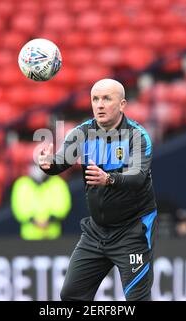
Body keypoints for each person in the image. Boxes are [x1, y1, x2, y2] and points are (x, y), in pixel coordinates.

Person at [38, 79, 157, 301]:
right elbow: (60, 163)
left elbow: (138, 177)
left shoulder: (137, 136)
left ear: (122, 104)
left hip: (132, 231)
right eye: (95, 99)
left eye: (106, 99)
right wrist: (47, 164)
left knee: (137, 300)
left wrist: (109, 179)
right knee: (71, 295)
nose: (99, 105)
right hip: (97, 231)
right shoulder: (81, 133)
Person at [11, 164, 72, 240]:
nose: (38, 169)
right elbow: (19, 208)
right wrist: (33, 220)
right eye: (34, 165)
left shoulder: (58, 183)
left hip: (52, 235)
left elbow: (63, 206)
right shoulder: (22, 184)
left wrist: (50, 219)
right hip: (29, 236)